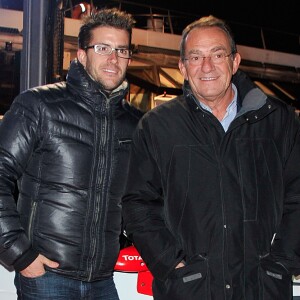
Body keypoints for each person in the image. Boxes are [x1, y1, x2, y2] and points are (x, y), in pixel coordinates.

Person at [122, 15, 300, 300]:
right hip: (189, 290)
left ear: (235, 61)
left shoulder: (277, 119)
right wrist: (172, 264)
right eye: (195, 57)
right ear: (182, 67)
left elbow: (297, 195)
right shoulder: (157, 126)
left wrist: (281, 262)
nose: (207, 66)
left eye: (217, 54)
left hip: (261, 290)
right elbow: (138, 203)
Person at [0, 7, 142, 300]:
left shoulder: (135, 123)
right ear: (81, 54)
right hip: (46, 277)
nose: (113, 59)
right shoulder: (40, 106)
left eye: (122, 50)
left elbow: (139, 199)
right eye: (102, 48)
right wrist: (19, 253)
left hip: (104, 280)